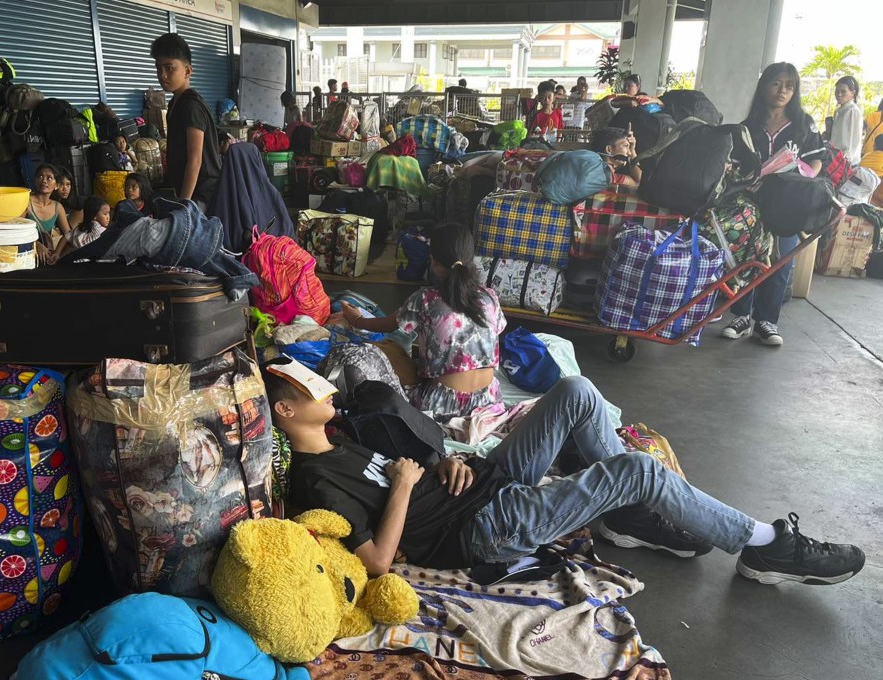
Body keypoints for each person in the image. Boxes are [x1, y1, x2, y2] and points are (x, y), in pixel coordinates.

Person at [266, 358, 864, 584]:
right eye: (305, 385)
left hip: (482, 481)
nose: (322, 386)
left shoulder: (340, 434)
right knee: (639, 469)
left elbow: (413, 455)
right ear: (286, 411)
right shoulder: (314, 482)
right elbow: (375, 561)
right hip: (484, 529)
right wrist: (402, 488)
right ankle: (763, 545)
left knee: (575, 391)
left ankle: (627, 515)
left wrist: (440, 460)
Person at [340, 226, 506, 418]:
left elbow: (387, 325)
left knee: (381, 353)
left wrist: (355, 319)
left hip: (443, 406)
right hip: (489, 400)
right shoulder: (490, 297)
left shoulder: (425, 299)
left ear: (433, 262)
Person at [722, 62, 825, 347]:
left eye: (789, 86)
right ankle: (741, 316)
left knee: (781, 259)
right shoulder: (748, 126)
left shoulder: (804, 125)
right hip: (751, 203)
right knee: (746, 258)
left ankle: (767, 321)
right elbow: (735, 164)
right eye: (776, 84)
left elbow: (817, 159)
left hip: (788, 204)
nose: (782, 91)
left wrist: (805, 177)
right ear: (764, 86)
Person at [151, 33, 221, 210]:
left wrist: (184, 204)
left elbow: (195, 159)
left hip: (202, 194)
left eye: (169, 68)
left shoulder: (191, 106)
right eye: (159, 68)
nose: (162, 75)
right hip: (189, 192)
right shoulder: (176, 102)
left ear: (188, 71)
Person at [26, 164, 72, 265]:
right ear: (35, 181)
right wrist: (35, 244)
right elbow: (15, 230)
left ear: (56, 185)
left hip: (45, 259)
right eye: (40, 176)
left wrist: (57, 253)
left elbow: (68, 234)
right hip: (27, 256)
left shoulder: (57, 207)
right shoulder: (26, 203)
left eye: (49, 177)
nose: (44, 181)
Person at [829, 76, 863, 163]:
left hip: (845, 163)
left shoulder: (852, 111)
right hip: (836, 159)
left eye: (843, 91)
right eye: (837, 91)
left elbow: (851, 143)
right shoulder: (840, 110)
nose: (839, 94)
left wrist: (845, 163)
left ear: (852, 93)